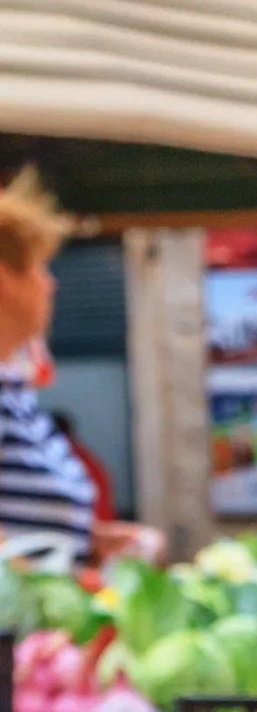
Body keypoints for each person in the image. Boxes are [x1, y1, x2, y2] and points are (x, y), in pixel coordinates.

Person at [0, 174, 144, 563]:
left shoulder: (12, 389)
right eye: (40, 267)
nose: (52, 285)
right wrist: (46, 588)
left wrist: (93, 543)